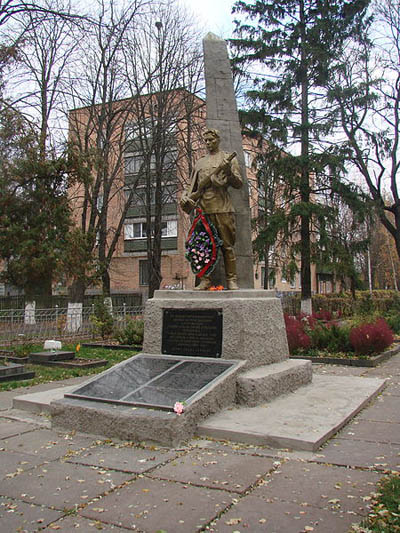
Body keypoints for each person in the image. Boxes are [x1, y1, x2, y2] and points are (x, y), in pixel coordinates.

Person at [180, 128, 243, 290]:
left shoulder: (227, 159)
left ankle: (232, 279)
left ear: (218, 140)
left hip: (223, 209)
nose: (208, 143)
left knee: (227, 246)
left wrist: (228, 171)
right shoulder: (200, 162)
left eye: (211, 140)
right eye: (206, 140)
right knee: (202, 246)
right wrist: (184, 196)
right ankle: (205, 279)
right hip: (203, 210)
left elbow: (238, 183)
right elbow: (191, 186)